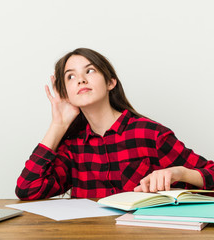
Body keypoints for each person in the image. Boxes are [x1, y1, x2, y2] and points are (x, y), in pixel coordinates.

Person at [15, 48, 214, 200]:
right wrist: (58, 125)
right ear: (66, 93)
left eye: (90, 71)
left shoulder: (150, 134)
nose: (81, 80)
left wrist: (179, 172)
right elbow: (27, 189)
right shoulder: (73, 146)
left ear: (111, 82)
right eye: (71, 76)